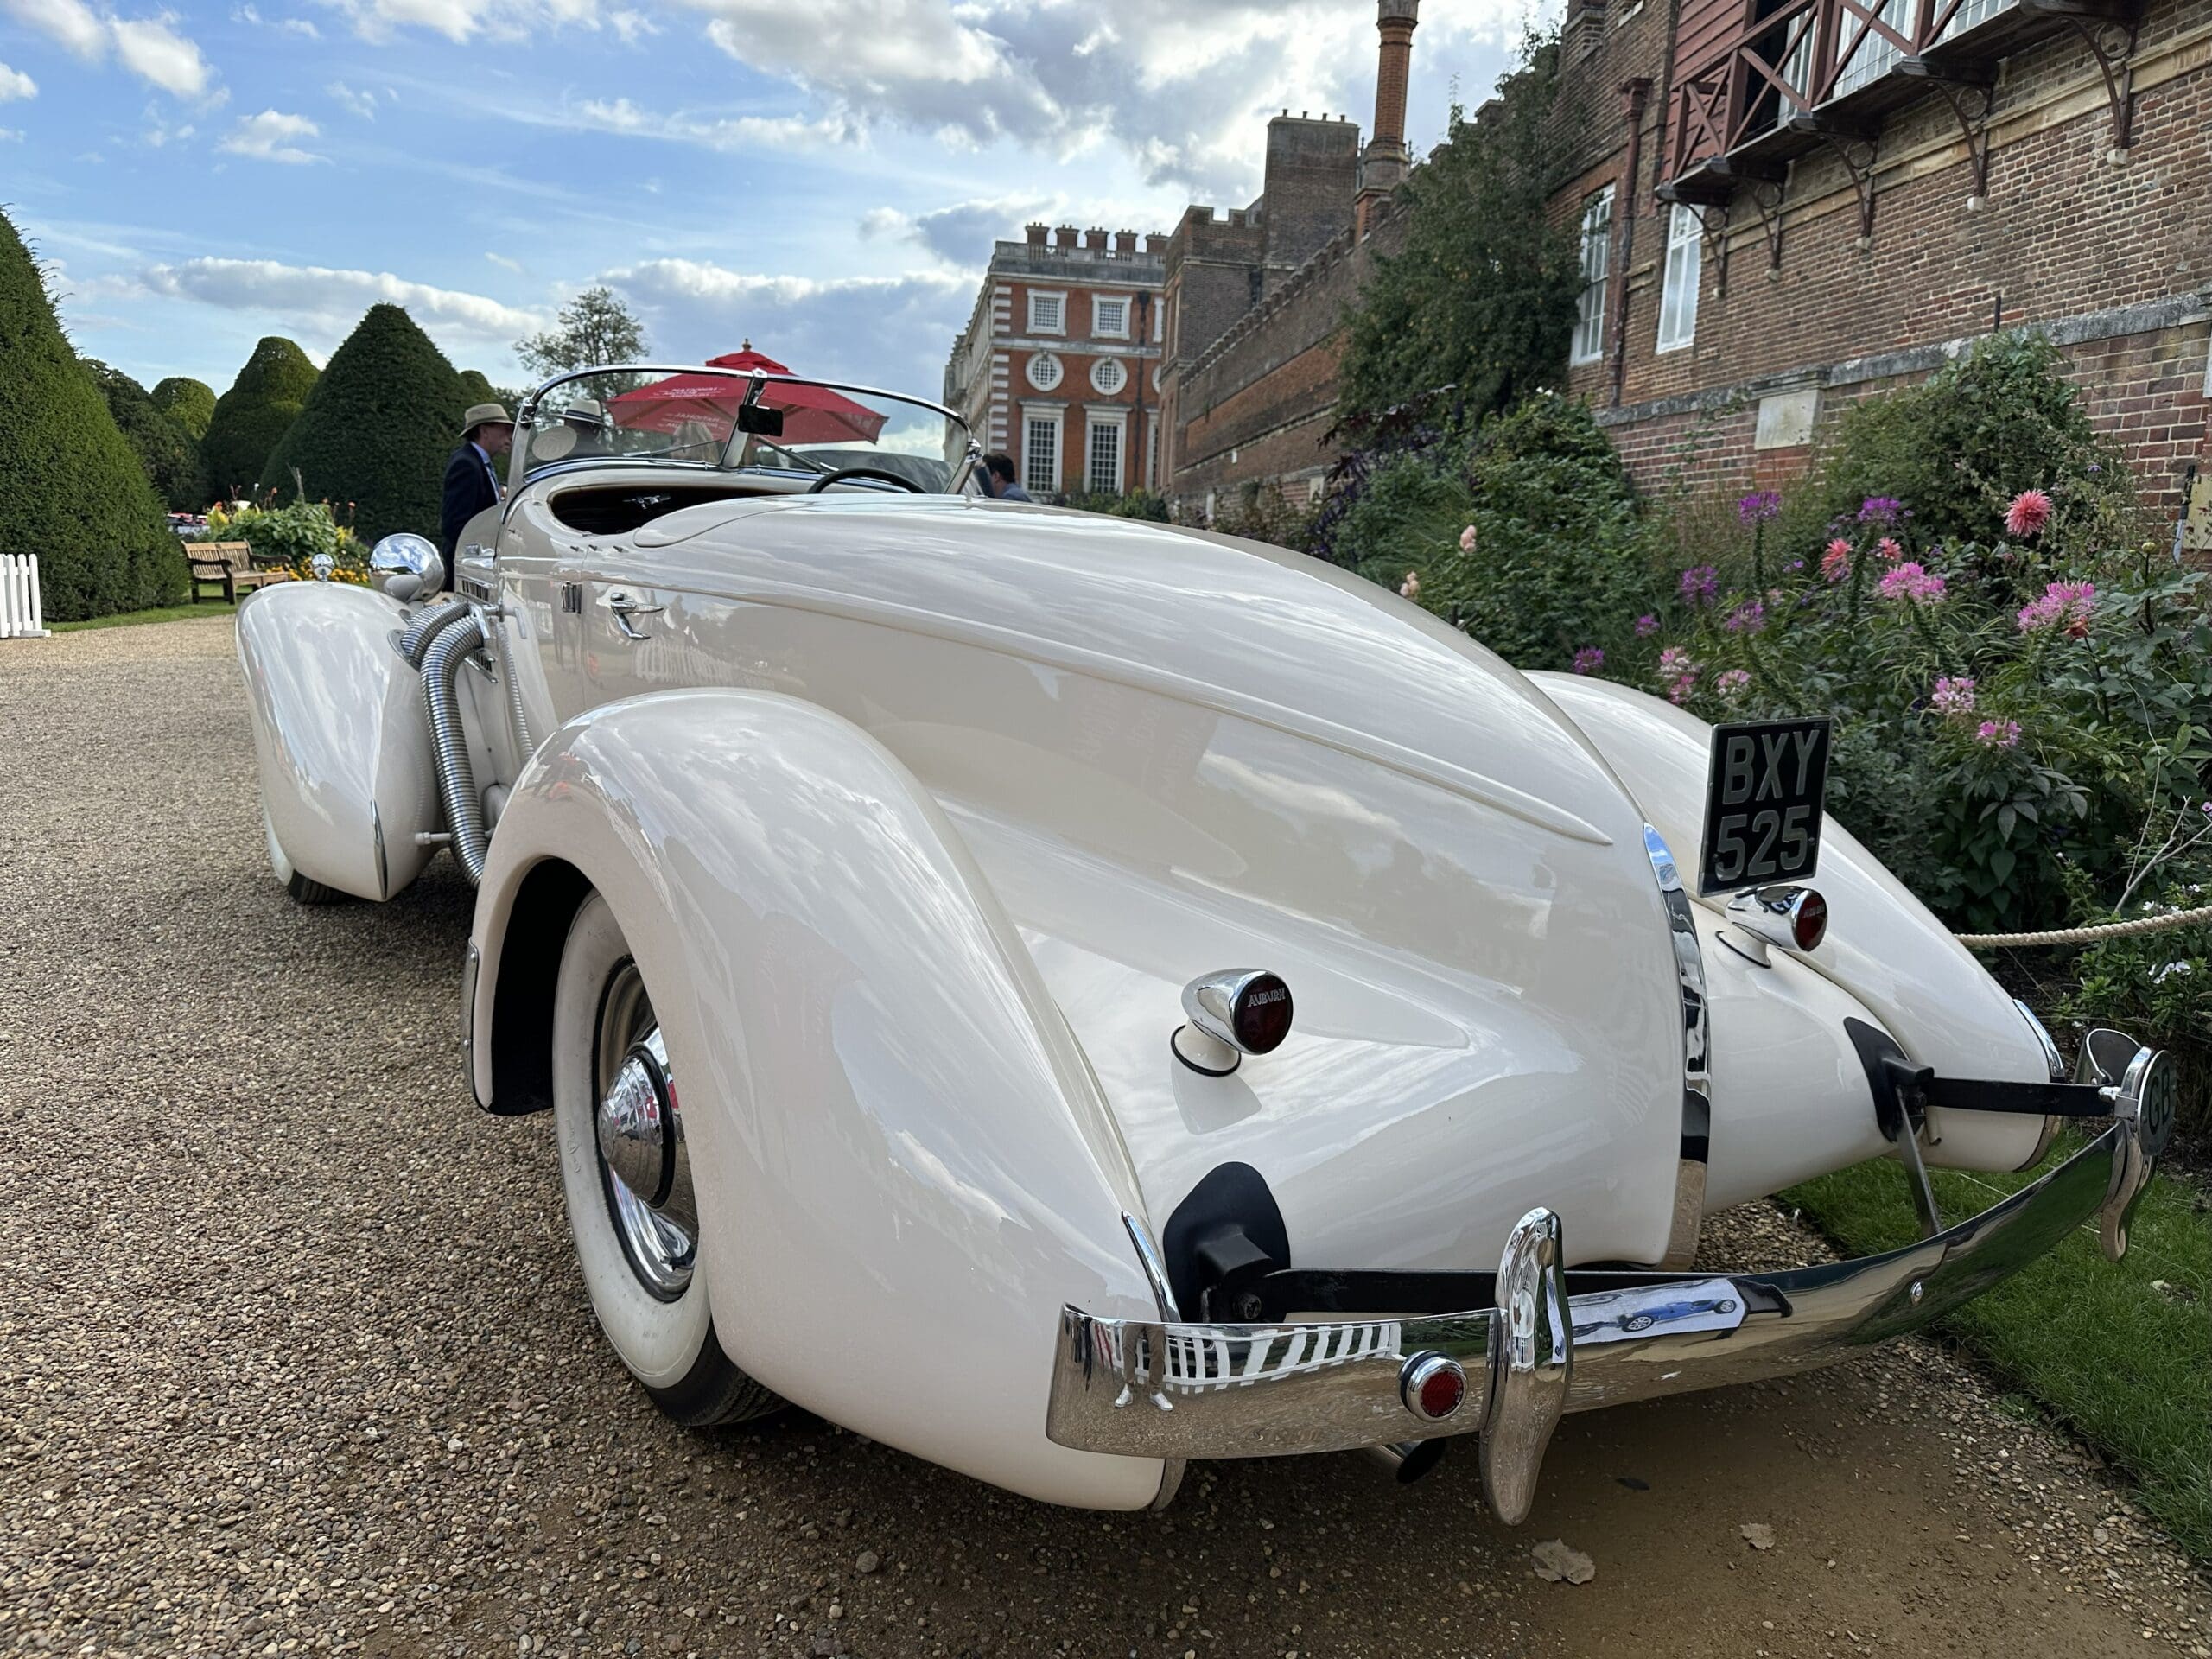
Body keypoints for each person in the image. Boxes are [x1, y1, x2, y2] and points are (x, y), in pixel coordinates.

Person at [441, 403, 514, 581]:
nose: (510, 437)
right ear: (484, 431)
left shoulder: (478, 462)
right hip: (467, 570)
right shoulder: (466, 464)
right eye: (504, 430)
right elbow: (455, 523)